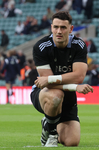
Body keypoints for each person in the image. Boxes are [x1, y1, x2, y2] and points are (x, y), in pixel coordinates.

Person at [31, 11, 93, 147]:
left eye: (63, 27)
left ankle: (49, 121)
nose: (59, 31)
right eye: (56, 27)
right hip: (44, 94)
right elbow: (47, 84)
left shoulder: (79, 45)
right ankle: (51, 132)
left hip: (68, 96)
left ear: (71, 29)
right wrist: (75, 87)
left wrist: (52, 79)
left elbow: (78, 77)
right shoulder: (41, 47)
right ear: (51, 27)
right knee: (55, 95)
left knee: (72, 142)